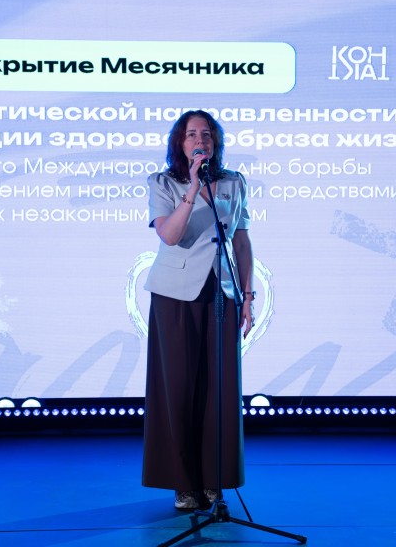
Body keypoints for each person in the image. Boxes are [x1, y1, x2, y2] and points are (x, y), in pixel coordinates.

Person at [142, 110, 255, 510]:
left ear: (215, 142)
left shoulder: (234, 182)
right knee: (178, 388)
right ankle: (183, 482)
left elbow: (241, 241)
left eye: (206, 134)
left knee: (219, 390)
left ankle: (214, 478)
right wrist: (192, 187)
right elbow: (170, 235)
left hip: (221, 294)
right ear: (180, 142)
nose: (200, 141)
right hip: (174, 296)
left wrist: (247, 295)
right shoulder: (163, 183)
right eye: (191, 134)